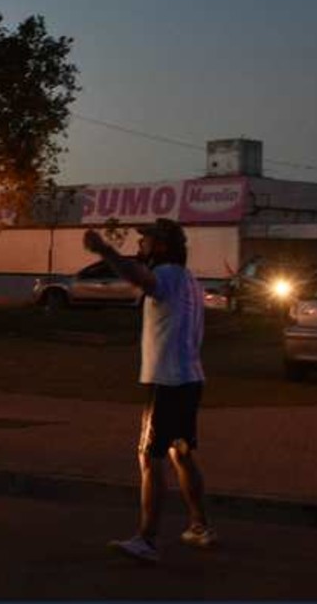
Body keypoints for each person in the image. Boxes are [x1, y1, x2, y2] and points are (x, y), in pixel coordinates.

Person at [82, 218, 216, 564]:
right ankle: (200, 526)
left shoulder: (169, 275)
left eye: (146, 240)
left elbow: (141, 278)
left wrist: (104, 250)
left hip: (167, 381)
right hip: (190, 379)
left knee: (149, 456)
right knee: (181, 452)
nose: (140, 244)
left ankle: (147, 539)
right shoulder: (189, 279)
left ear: (161, 245)